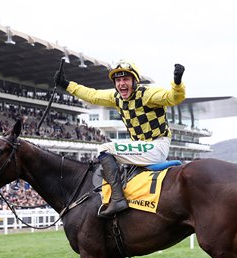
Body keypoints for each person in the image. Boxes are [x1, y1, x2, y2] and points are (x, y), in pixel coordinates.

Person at [54, 59, 186, 217]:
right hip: (141, 146)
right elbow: (93, 95)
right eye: (118, 80)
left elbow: (173, 98)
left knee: (104, 148)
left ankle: (118, 200)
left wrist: (177, 83)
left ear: (134, 80)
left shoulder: (148, 94)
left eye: (125, 79)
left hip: (157, 146)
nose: (121, 83)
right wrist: (66, 84)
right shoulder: (116, 97)